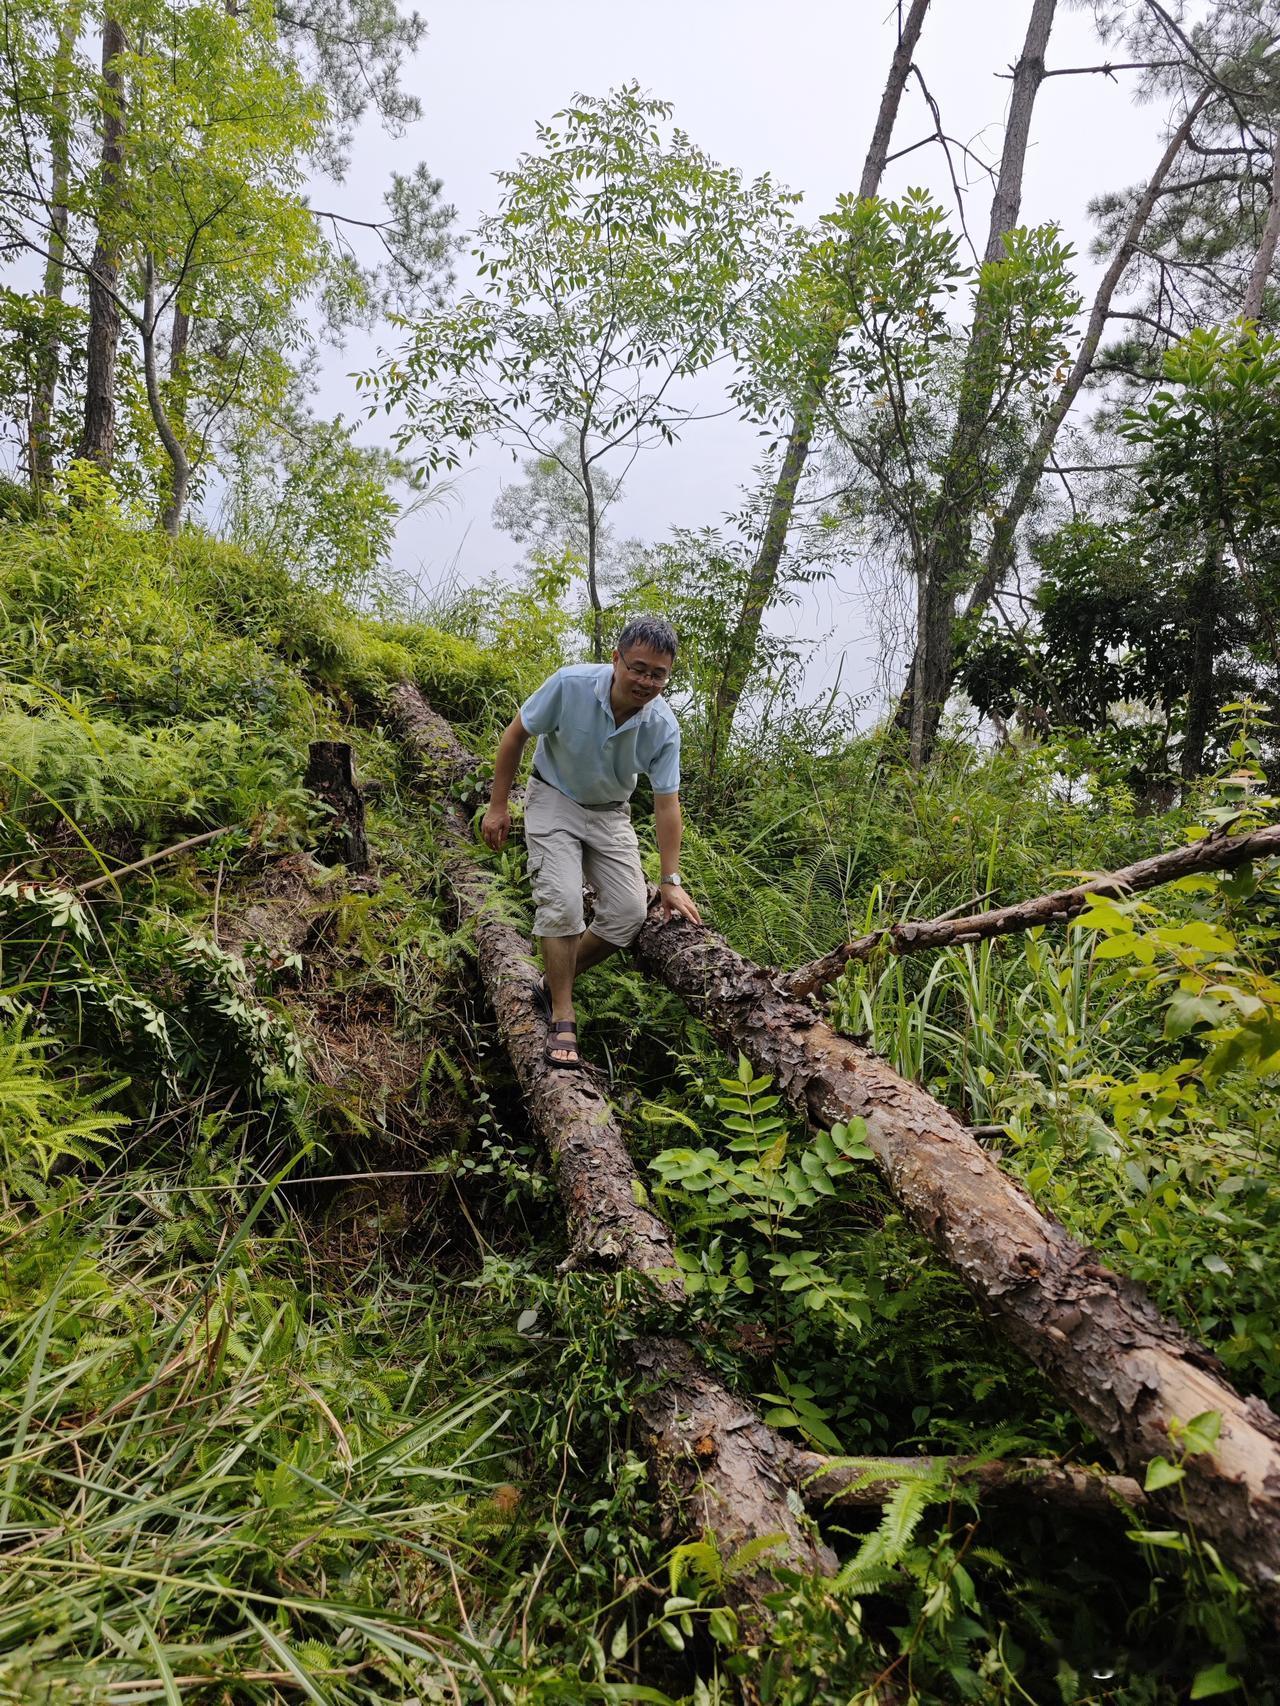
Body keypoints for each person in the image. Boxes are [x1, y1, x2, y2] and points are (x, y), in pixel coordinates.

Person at [480, 615, 703, 1068]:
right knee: (562, 901)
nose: (646, 681)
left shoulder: (663, 726)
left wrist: (670, 879)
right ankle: (563, 1012)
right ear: (616, 659)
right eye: (638, 667)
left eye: (658, 674)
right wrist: (498, 805)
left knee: (628, 912)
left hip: (610, 813)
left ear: (668, 676)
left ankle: (550, 980)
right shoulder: (571, 684)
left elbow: (666, 805)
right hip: (554, 797)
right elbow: (515, 735)